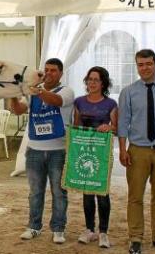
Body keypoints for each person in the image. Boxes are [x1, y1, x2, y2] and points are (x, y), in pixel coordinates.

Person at [10, 58, 74, 244]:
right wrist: (14, 94)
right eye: (46, 70)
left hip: (58, 150)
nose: (49, 73)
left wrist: (36, 90)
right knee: (35, 192)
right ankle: (34, 227)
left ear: (61, 73)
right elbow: (18, 110)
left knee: (59, 192)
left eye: (53, 70)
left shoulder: (67, 91)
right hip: (34, 151)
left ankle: (58, 229)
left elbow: (56, 100)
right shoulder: (33, 92)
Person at [118, 49, 155, 254]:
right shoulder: (128, 92)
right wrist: (122, 149)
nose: (144, 68)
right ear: (137, 66)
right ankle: (135, 237)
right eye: (140, 64)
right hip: (137, 151)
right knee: (135, 196)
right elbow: (123, 122)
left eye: (148, 64)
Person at [73, 66, 118, 248]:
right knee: (87, 192)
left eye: (96, 80)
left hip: (102, 153)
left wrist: (109, 127)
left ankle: (103, 233)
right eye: (89, 79)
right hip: (84, 151)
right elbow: (75, 128)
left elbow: (117, 128)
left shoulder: (111, 104)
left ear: (103, 83)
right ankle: (89, 230)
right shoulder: (78, 102)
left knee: (102, 193)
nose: (92, 83)